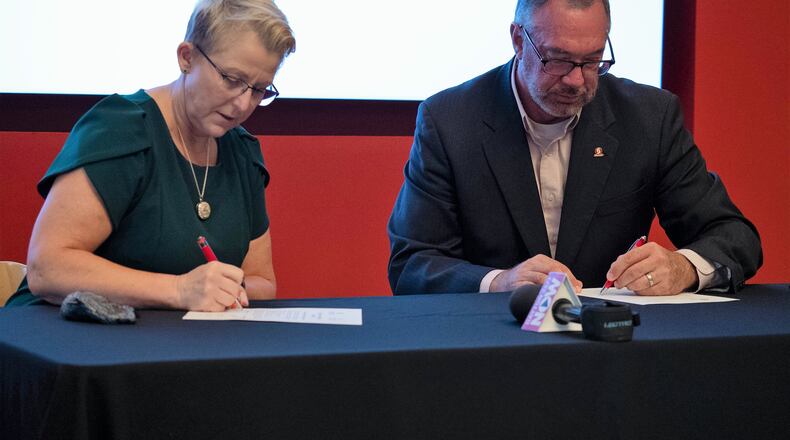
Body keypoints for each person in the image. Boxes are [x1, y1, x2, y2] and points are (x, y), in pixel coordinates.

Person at [387, 0, 762, 296]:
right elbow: (413, 263)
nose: (576, 80)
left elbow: (735, 236)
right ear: (518, 40)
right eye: (559, 60)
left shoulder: (649, 118)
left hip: (614, 344)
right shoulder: (450, 121)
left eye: (593, 60)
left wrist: (684, 268)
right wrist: (500, 282)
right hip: (492, 344)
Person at [6, 0, 295, 311]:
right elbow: (47, 268)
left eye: (259, 90)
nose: (243, 104)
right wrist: (180, 290)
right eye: (232, 79)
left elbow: (262, 283)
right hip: (63, 329)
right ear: (187, 57)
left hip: (171, 336)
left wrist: (224, 290)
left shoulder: (242, 152)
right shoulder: (121, 129)